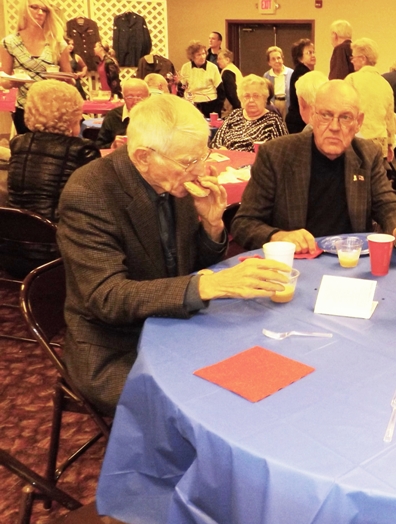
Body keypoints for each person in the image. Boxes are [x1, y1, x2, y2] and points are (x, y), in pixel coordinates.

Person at [57, 94, 291, 415]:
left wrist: (211, 225)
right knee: (215, 401)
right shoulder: (90, 192)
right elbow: (106, 297)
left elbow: (190, 266)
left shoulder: (173, 181)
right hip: (117, 344)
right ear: (143, 157)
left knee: (262, 363)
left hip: (176, 326)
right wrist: (207, 285)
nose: (201, 170)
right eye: (189, 161)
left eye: (202, 156)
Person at [232, 80, 396, 256]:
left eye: (345, 117)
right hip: (297, 263)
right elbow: (244, 223)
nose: (334, 126)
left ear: (358, 122)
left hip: (351, 262)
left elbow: (388, 205)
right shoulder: (276, 154)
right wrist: (278, 236)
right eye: (326, 115)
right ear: (313, 116)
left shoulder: (367, 154)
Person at [3, 80, 99, 277]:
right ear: (72, 114)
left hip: (10, 248)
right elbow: (97, 206)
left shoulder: (18, 144)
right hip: (57, 254)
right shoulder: (82, 150)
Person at [1, 0, 73, 135]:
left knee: (52, 147)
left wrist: (59, 79)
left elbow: (70, 81)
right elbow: (4, 80)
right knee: (27, 147)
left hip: (52, 108)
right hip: (25, 108)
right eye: (34, 7)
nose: (40, 12)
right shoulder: (10, 43)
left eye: (44, 10)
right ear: (24, 10)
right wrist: (13, 82)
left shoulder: (57, 43)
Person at [344, 38, 396, 158]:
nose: (352, 61)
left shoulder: (352, 80)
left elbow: (344, 111)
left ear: (363, 59)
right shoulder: (385, 84)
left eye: (353, 57)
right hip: (380, 143)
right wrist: (390, 144)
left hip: (358, 141)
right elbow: (389, 118)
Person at [210, 74, 287, 151]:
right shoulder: (234, 115)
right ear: (240, 98)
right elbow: (215, 143)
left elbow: (281, 151)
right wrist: (222, 149)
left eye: (256, 96)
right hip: (228, 157)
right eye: (247, 96)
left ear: (264, 98)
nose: (251, 100)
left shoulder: (273, 121)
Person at [96, 78, 151, 149]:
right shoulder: (113, 116)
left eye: (140, 97)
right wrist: (113, 145)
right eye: (130, 97)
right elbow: (99, 146)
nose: (135, 101)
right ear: (123, 97)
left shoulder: (156, 116)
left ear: (149, 97)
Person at [179, 40, 223, 117]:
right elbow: (182, 87)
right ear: (192, 56)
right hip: (192, 103)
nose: (202, 57)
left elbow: (221, 90)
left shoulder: (213, 67)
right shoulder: (185, 67)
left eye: (203, 53)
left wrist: (217, 109)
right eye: (198, 55)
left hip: (210, 103)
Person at [285, 38, 316, 134]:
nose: (313, 55)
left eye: (313, 52)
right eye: (309, 53)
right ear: (300, 58)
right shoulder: (301, 73)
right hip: (298, 121)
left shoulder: (304, 71)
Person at [264, 45, 293, 119]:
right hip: (273, 104)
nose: (277, 61)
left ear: (282, 59)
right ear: (269, 62)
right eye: (273, 59)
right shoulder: (266, 76)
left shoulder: (291, 73)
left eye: (278, 58)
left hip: (287, 103)